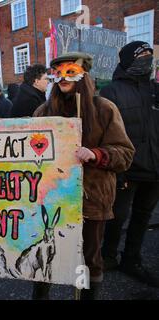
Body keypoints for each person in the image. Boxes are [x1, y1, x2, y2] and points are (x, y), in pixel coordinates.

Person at [32, 52, 135, 300]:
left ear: (84, 74)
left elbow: (125, 153)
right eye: (57, 72)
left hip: (91, 198)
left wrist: (97, 154)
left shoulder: (104, 109)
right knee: (45, 253)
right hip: (52, 198)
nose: (63, 77)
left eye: (70, 70)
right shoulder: (43, 112)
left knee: (88, 257)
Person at [100, 41, 159, 287]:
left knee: (143, 217)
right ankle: (107, 257)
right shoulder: (111, 92)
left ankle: (132, 259)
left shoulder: (155, 90)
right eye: (141, 55)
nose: (147, 59)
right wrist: (116, 169)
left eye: (149, 55)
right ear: (127, 60)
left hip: (154, 169)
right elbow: (104, 134)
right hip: (126, 170)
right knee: (117, 217)